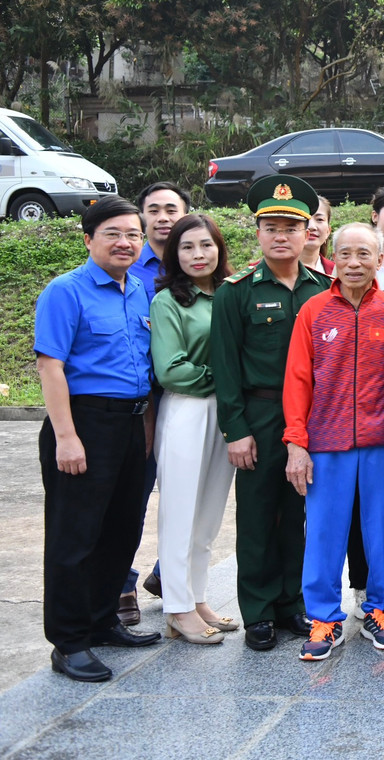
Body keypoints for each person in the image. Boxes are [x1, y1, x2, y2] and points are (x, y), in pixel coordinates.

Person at [35, 196, 162, 682]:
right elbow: (51, 367)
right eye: (113, 233)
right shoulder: (65, 291)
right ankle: (68, 642)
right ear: (88, 239)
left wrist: (144, 428)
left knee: (121, 529)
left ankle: (103, 619)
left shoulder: (139, 291)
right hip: (84, 424)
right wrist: (66, 437)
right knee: (75, 537)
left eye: (133, 234)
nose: (125, 242)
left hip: (131, 424)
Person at [210, 175, 332, 652]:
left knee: (301, 511)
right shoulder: (235, 292)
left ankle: (293, 603)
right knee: (258, 516)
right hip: (260, 416)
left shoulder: (324, 289)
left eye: (291, 227)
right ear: (257, 232)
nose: (281, 236)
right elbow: (224, 368)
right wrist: (235, 431)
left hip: (314, 419)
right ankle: (258, 611)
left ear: (308, 233)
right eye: (270, 227)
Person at [283, 223, 384, 660]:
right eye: (345, 254)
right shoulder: (313, 311)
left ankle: (382, 611)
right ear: (332, 259)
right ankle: (323, 617)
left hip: (383, 445)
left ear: (380, 258)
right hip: (325, 443)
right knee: (322, 533)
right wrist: (296, 443)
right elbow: (298, 381)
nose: (354, 263)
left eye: (364, 254)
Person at [151, 214, 238, 646]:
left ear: (219, 249)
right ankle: (177, 607)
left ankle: (198, 597)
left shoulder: (230, 293)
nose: (198, 255)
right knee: (180, 512)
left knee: (208, 516)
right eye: (187, 247)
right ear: (174, 254)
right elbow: (171, 369)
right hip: (187, 409)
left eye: (205, 245)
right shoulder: (168, 301)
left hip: (225, 412)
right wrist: (226, 376)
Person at [118, 181, 192, 621]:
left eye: (171, 208)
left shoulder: (198, 264)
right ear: (142, 216)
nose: (163, 216)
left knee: (191, 496)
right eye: (154, 209)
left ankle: (170, 574)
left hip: (189, 399)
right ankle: (121, 584)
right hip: (142, 401)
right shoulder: (128, 267)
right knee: (134, 494)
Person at [300, 198, 335, 276]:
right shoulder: (274, 270)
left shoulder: (338, 272)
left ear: (328, 231)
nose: (312, 227)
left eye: (319, 219)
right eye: (305, 218)